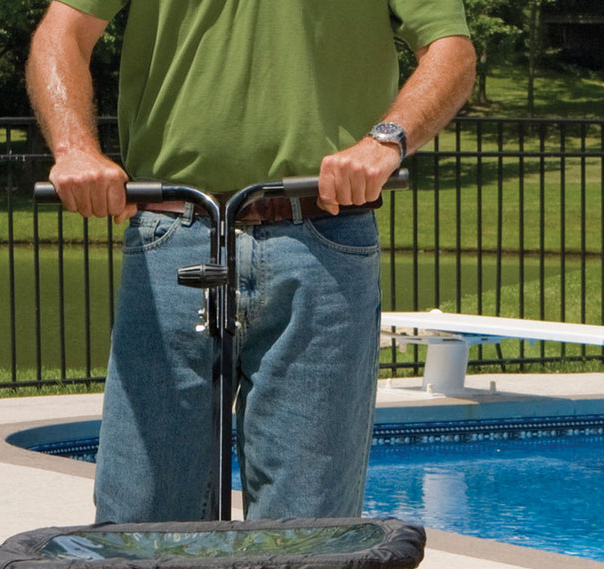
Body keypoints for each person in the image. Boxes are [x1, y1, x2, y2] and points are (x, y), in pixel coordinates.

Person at [27, 1, 475, 523]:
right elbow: (62, 33)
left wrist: (388, 139)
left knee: (309, 528)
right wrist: (75, 148)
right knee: (140, 520)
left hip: (324, 238)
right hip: (175, 233)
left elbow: (452, 51)